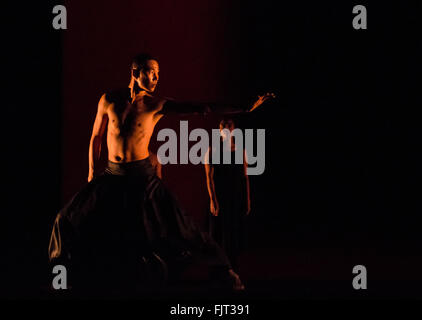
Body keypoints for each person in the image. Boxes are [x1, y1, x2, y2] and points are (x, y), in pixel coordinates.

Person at [48, 53, 274, 294]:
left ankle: (224, 269)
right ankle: (61, 274)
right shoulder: (109, 100)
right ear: (135, 73)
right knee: (66, 218)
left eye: (158, 73)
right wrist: (92, 173)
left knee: (183, 226)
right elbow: (96, 137)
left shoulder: (156, 105)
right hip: (113, 175)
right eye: (151, 71)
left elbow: (201, 107)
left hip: (143, 176)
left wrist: (244, 108)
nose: (156, 77)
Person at [204, 119, 251, 270]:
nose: (227, 129)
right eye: (223, 127)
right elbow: (209, 178)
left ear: (233, 130)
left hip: (235, 195)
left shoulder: (240, 150)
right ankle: (216, 268)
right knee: (217, 233)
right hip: (220, 196)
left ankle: (232, 267)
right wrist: (213, 200)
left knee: (233, 232)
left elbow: (245, 177)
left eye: (229, 126)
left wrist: (247, 199)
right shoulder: (212, 150)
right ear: (219, 131)